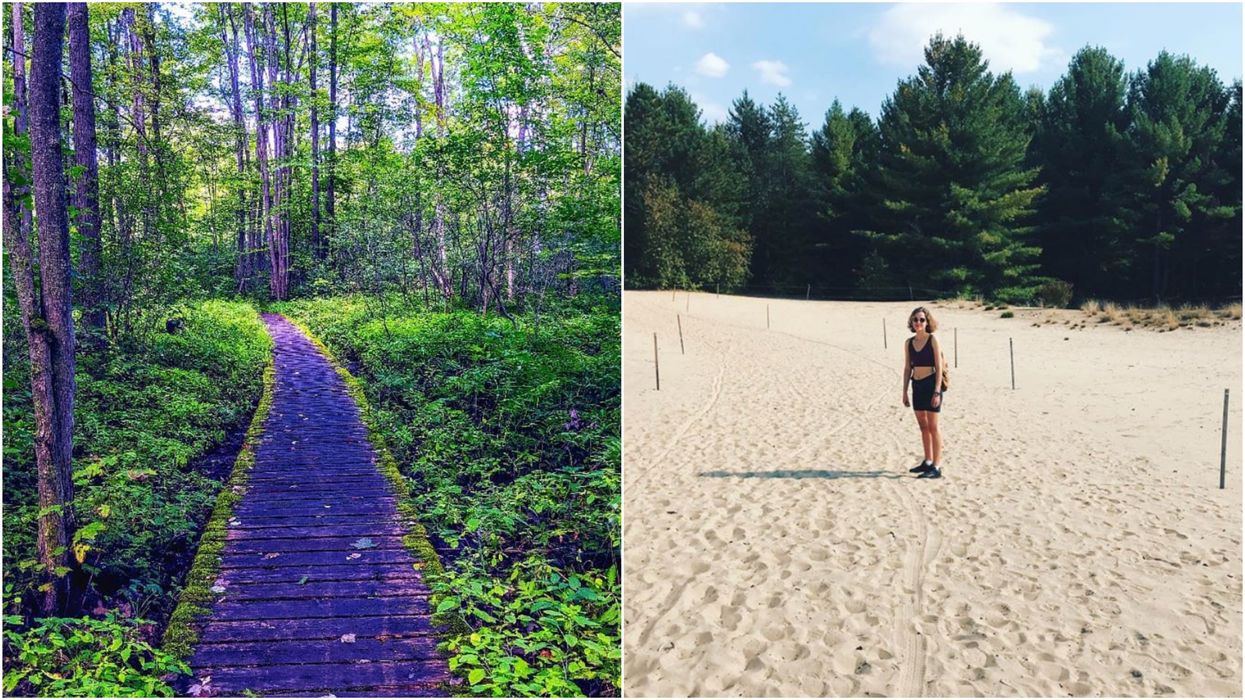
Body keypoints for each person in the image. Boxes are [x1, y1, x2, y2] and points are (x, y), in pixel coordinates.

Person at [901, 306, 944, 479]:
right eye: (915, 319)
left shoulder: (933, 340)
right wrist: (904, 391)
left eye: (922, 319)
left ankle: (937, 466)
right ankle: (927, 461)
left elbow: (939, 367)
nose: (918, 322)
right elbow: (906, 368)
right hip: (916, 385)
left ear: (927, 322)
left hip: (931, 384)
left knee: (933, 427)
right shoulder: (909, 343)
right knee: (923, 426)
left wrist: (937, 391)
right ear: (911, 322)